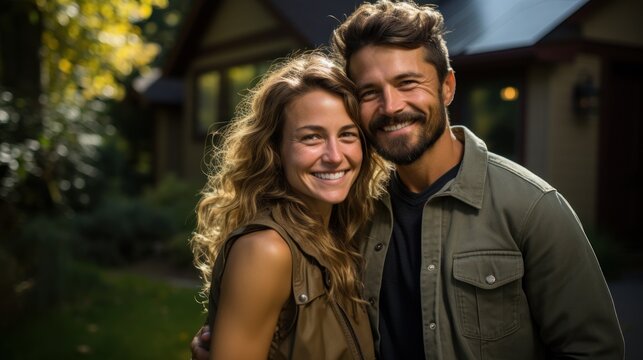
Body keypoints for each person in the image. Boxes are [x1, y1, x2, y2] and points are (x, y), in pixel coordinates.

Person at [192, 1, 624, 359]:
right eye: (369, 92)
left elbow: (592, 351)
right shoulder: (350, 211)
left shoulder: (531, 208)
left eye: (408, 83)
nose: (391, 106)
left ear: (447, 87)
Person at [189, 52, 388, 359]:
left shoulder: (339, 238)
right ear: (275, 149)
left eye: (347, 134)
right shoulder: (267, 250)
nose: (335, 155)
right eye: (312, 137)